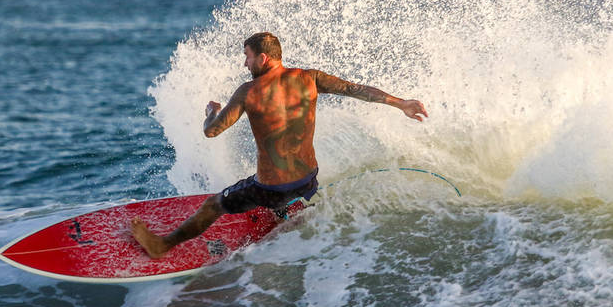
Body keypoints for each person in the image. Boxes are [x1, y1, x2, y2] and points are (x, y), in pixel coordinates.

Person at [131, 32, 428, 258]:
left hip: (270, 189)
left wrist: (210, 111)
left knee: (215, 205)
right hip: (309, 179)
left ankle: (162, 245)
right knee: (285, 189)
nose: (244, 63)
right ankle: (287, 214)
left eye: (247, 57)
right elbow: (356, 90)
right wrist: (400, 103)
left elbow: (212, 131)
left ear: (263, 58)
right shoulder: (310, 78)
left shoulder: (248, 92)